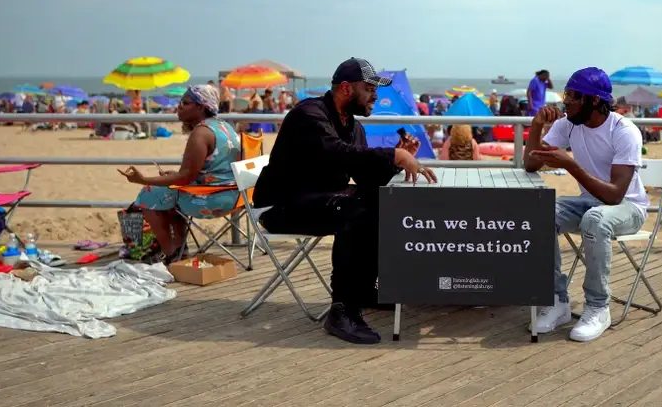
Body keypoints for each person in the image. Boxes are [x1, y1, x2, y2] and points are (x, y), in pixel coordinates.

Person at [252, 57, 436, 345]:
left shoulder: (353, 126)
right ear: (347, 89)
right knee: (355, 211)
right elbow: (336, 152)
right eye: (369, 88)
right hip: (280, 206)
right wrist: (395, 156)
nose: (375, 94)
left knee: (380, 202)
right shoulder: (310, 115)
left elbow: (364, 176)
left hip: (318, 200)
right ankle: (343, 309)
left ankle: (364, 292)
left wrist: (396, 159)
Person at [523, 67, 649, 342]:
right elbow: (530, 163)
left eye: (572, 96)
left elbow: (615, 196)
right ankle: (557, 301)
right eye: (566, 94)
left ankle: (598, 308)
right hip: (591, 202)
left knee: (596, 219)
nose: (564, 101)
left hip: (628, 207)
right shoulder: (568, 124)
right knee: (540, 213)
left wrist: (571, 166)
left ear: (593, 100)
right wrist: (536, 126)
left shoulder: (623, 130)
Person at [119, 85, 241, 263]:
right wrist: (173, 176)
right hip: (233, 196)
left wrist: (143, 179)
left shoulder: (201, 133)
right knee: (166, 194)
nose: (180, 106)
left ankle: (169, 253)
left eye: (185, 103)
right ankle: (179, 248)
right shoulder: (225, 127)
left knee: (148, 193)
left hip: (211, 201)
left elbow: (185, 178)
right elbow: (207, 170)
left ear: (201, 107)